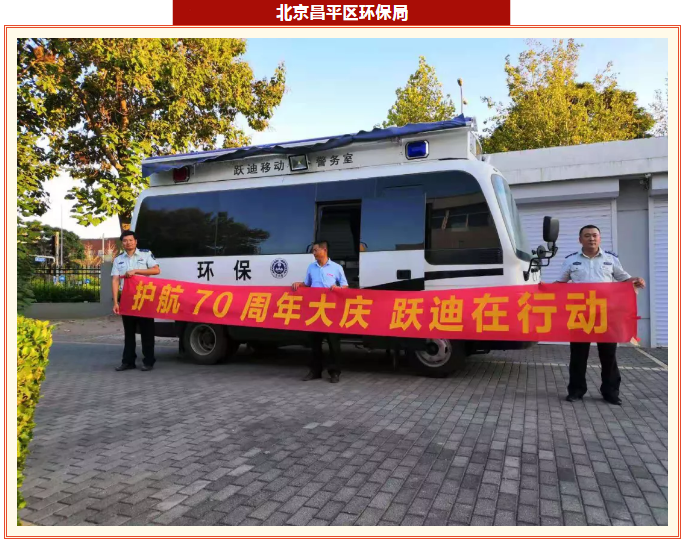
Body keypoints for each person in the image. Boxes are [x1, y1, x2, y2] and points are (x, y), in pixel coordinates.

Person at [556, 225, 645, 405]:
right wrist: (542, 289)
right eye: (587, 236)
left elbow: (624, 279)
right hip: (580, 314)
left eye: (595, 235)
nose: (591, 238)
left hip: (606, 314)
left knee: (608, 354)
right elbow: (560, 283)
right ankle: (576, 391)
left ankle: (610, 392)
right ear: (580, 240)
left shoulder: (610, 259)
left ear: (600, 238)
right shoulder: (571, 260)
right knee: (578, 354)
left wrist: (636, 280)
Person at [292, 240, 348, 383]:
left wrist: (338, 288)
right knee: (314, 343)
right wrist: (299, 284)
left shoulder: (336, 268)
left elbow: (345, 286)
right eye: (313, 250)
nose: (314, 253)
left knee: (333, 343)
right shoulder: (311, 267)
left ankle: (334, 372)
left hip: (331, 310)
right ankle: (315, 371)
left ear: (324, 250)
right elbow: (307, 284)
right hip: (315, 310)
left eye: (316, 250)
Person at [112, 230, 161, 372]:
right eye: (125, 241)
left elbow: (156, 270)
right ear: (122, 243)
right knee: (129, 332)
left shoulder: (145, 254)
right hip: (127, 298)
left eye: (130, 240)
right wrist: (116, 302)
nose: (128, 243)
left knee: (147, 331)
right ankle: (128, 361)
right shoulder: (118, 259)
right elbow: (115, 280)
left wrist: (136, 271)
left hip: (144, 297)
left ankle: (149, 361)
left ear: (136, 241)